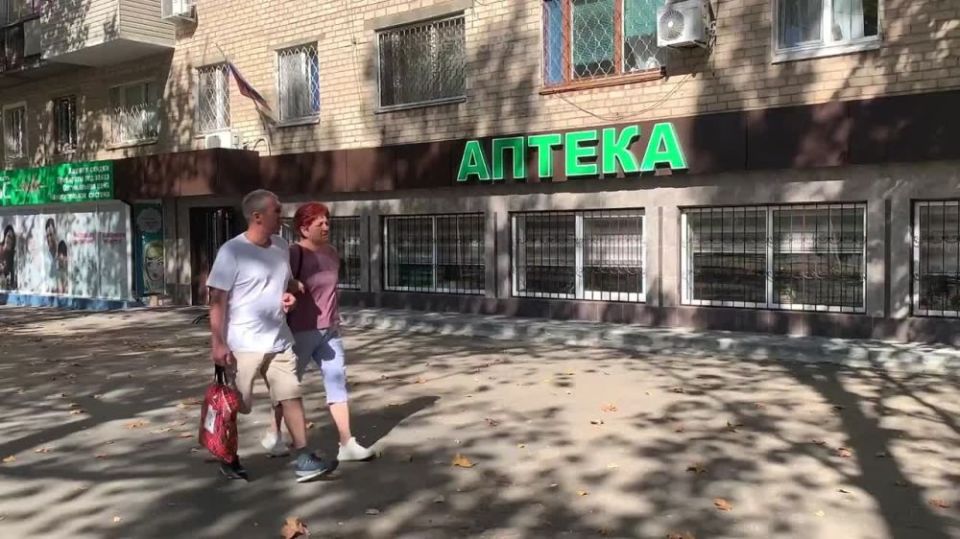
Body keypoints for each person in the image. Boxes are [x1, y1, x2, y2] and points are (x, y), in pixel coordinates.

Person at [206, 189, 337, 482]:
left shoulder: (280, 246)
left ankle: (303, 457)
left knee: (291, 395)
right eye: (276, 210)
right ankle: (228, 456)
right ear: (257, 216)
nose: (282, 215)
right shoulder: (232, 252)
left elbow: (284, 282)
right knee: (237, 405)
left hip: (279, 340)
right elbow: (217, 299)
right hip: (242, 345)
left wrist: (290, 294)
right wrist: (218, 343)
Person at [261, 202, 374, 462]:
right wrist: (290, 286)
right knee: (287, 389)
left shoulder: (332, 253)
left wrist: (334, 318)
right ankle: (274, 433)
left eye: (327, 221)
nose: (326, 226)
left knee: (337, 383)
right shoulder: (293, 254)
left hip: (329, 331)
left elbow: (331, 290)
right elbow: (273, 285)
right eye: (319, 223)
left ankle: (346, 442)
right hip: (299, 332)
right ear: (304, 228)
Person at [0, 225, 16, 290]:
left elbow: (12, 280)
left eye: (12, 239)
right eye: (8, 236)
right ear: (4, 237)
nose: (9, 240)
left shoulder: (11, 256)